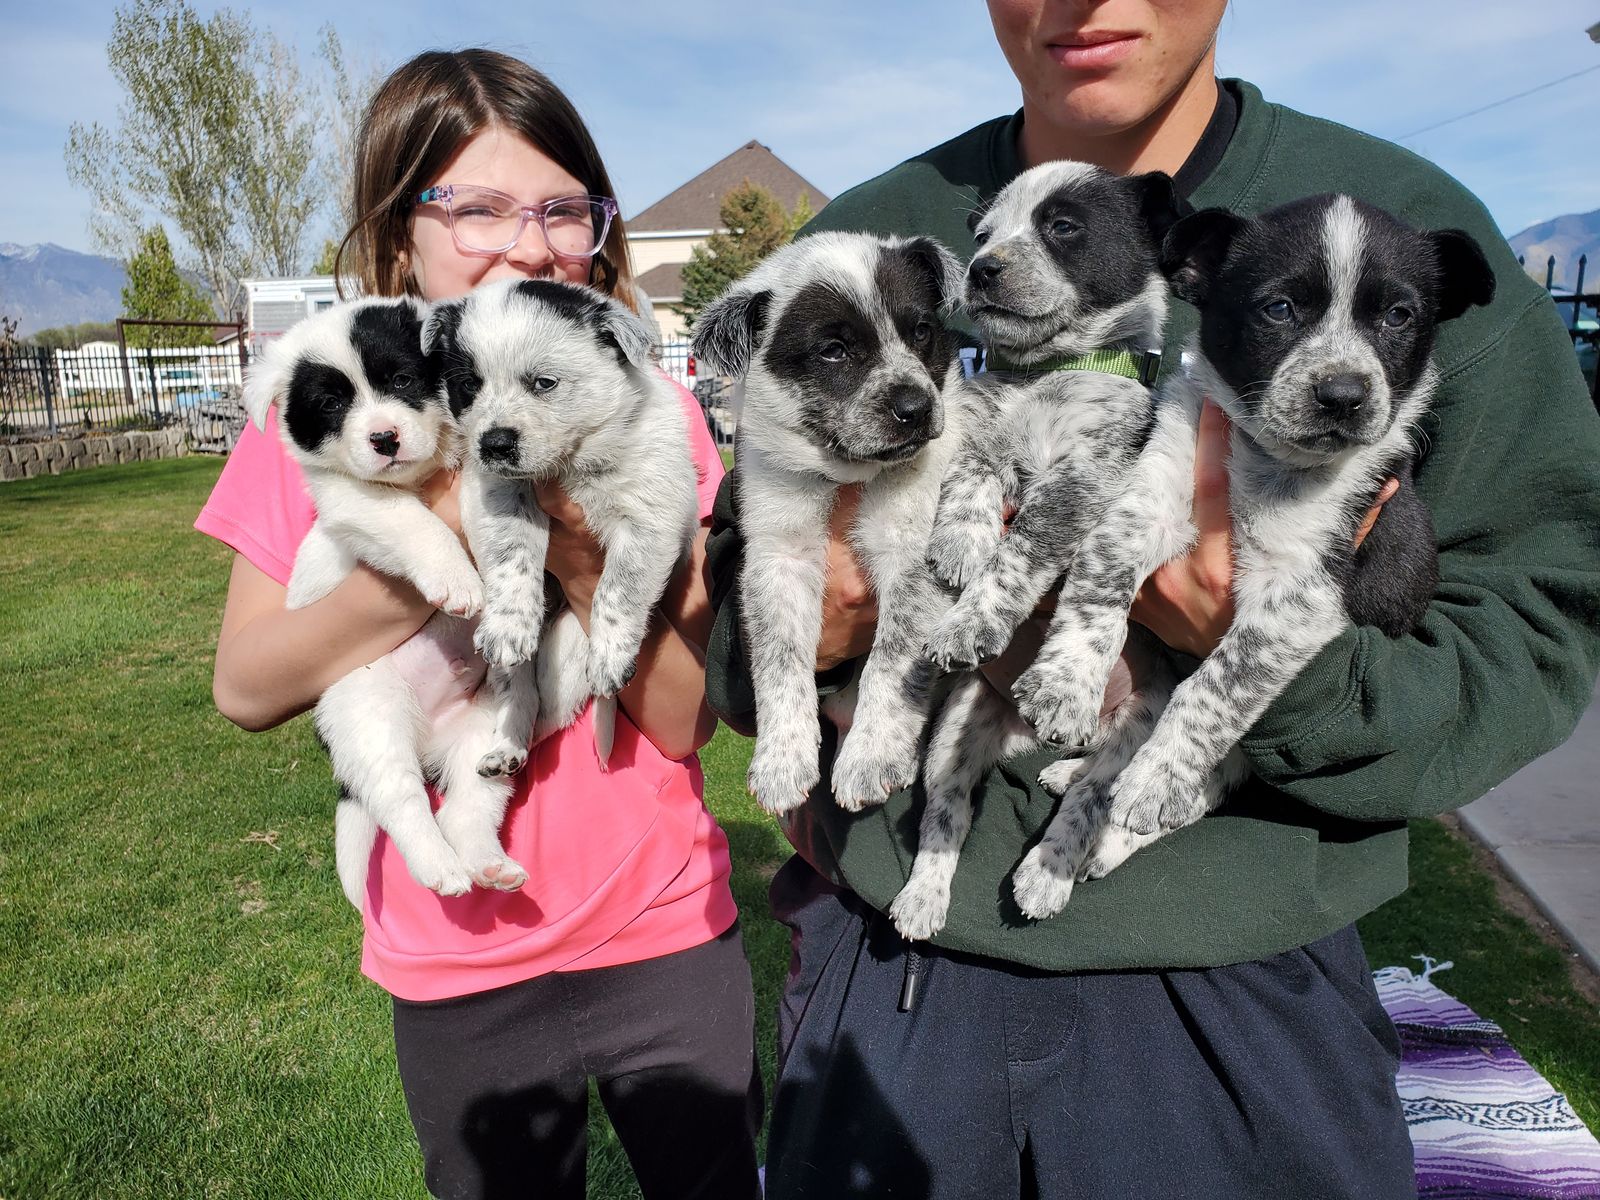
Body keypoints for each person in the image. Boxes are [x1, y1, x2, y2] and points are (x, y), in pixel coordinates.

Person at [703, 3, 1600, 1197]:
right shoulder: (880, 231)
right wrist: (818, 627)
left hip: (1244, 991)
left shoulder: (1405, 226)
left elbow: (1533, 624)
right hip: (892, 961)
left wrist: (1272, 670)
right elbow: (736, 592)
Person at [198, 49, 761, 1200]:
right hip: (457, 951)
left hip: (661, 921)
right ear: (397, 236)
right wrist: (437, 540)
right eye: (479, 208)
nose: (530, 245)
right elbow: (247, 686)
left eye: (564, 209)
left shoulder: (641, 407)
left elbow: (682, 721)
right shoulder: (330, 411)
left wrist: (574, 547)